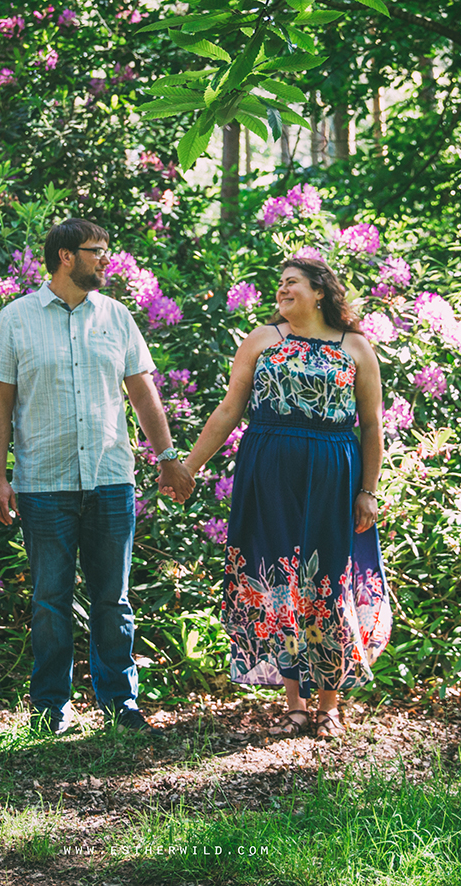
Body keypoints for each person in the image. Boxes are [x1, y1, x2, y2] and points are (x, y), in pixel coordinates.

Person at [0, 218, 194, 735]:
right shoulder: (16, 319)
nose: (105, 260)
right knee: (50, 600)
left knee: (112, 599)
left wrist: (167, 455)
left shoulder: (117, 317)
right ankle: (50, 706)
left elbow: (143, 394)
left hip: (109, 480)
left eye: (105, 250)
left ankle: (120, 702)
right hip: (42, 483)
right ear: (65, 257)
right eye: (95, 251)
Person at [169, 257, 392, 740]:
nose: (282, 290)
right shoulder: (262, 340)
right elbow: (230, 409)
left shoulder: (356, 348)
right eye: (280, 285)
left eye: (292, 283)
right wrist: (189, 466)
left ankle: (329, 706)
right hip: (268, 471)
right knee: (278, 581)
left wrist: (368, 491)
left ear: (319, 291)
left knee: (328, 579)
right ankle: (294, 703)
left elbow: (372, 426)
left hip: (334, 472)